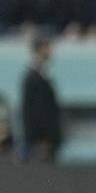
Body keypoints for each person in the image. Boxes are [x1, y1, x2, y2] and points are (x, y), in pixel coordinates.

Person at [20, 34, 61, 162]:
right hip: (40, 139)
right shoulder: (33, 78)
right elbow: (33, 110)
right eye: (47, 48)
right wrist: (41, 137)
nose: (50, 52)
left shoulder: (43, 75)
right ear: (39, 50)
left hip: (46, 138)